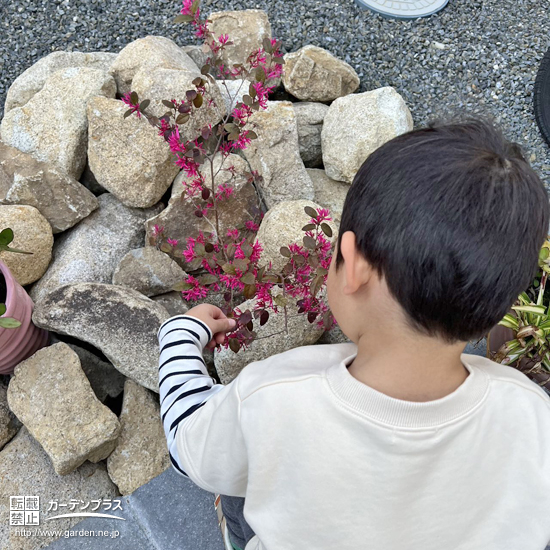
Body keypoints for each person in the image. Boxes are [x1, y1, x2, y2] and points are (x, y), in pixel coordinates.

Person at [157, 117, 550, 550]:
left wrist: (180, 334)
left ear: (353, 263)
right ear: (504, 301)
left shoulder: (275, 394)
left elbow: (188, 446)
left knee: (236, 483)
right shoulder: (531, 413)